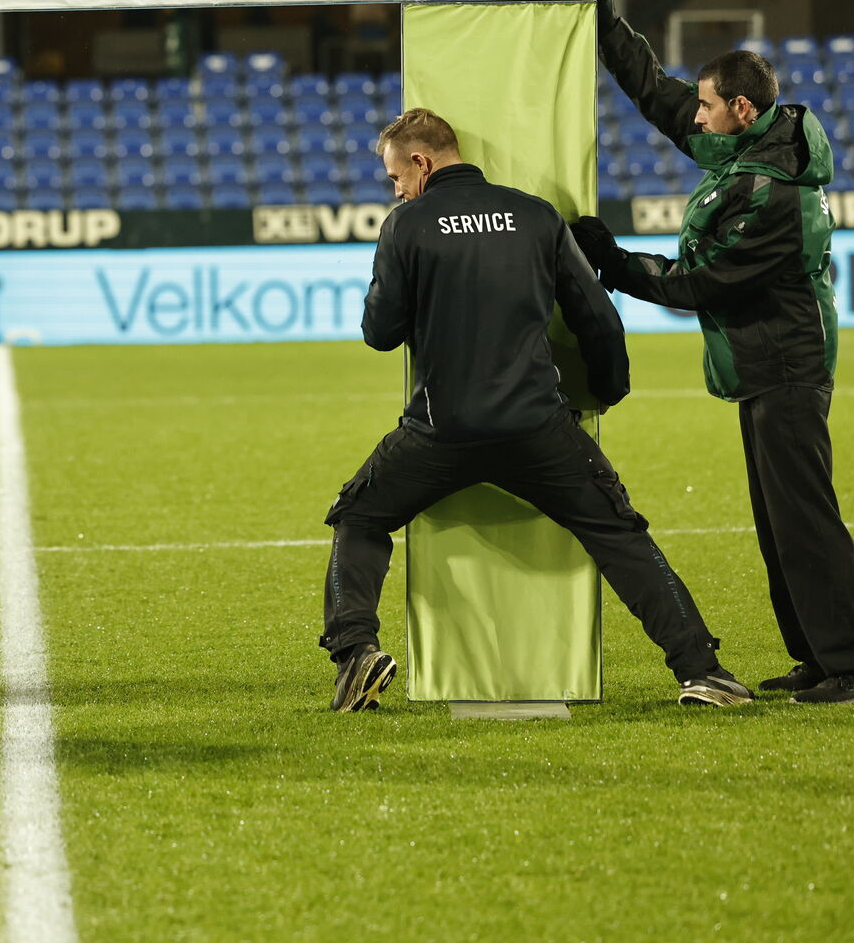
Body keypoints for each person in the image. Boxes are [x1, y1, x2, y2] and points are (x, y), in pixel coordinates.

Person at [320, 108, 751, 712]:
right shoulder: (534, 215)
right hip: (537, 426)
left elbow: (380, 332)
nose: (394, 189)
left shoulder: (407, 224)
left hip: (441, 430)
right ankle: (704, 672)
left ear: (421, 163)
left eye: (395, 176)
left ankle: (355, 655)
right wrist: (608, 389)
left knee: (358, 518)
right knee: (619, 535)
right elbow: (597, 317)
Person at [570, 0, 854, 705]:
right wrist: (607, 26)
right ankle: (819, 658)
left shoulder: (771, 193)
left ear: (741, 109)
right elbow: (660, 96)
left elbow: (699, 284)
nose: (700, 114)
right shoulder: (749, 151)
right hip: (762, 366)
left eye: (710, 105)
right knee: (782, 521)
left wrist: (615, 263)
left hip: (787, 367)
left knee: (805, 519)